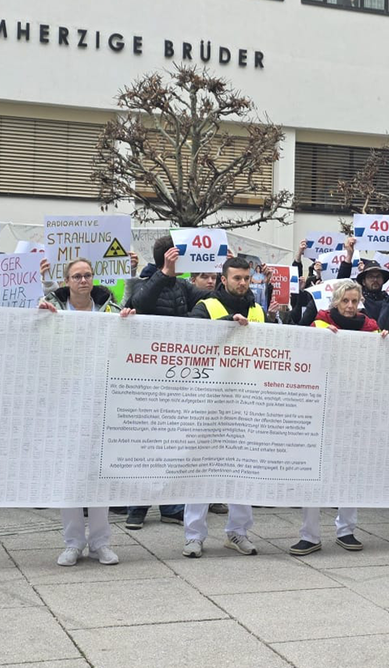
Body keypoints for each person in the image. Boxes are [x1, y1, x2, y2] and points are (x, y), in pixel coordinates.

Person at [290, 280, 386, 555]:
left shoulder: (370, 328)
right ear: (335, 302)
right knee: (314, 470)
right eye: (345, 301)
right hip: (321, 406)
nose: (350, 306)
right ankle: (309, 534)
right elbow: (305, 355)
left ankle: (346, 529)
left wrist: (384, 342)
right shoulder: (320, 324)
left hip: (354, 407)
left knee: (350, 468)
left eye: (355, 301)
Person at [37, 259, 121, 566]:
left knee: (98, 473)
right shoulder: (51, 309)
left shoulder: (111, 309)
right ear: (67, 281)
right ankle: (73, 542)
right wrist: (41, 320)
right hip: (65, 399)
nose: (83, 280)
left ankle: (100, 542)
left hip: (101, 398)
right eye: (76, 276)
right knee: (69, 473)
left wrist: (129, 320)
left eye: (87, 275)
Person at [182, 256, 261, 558]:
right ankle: (193, 534)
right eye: (237, 278)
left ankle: (237, 532)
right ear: (223, 280)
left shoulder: (259, 311)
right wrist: (227, 326)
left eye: (246, 278)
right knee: (201, 467)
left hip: (246, 400)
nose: (242, 283)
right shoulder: (207, 307)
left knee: (242, 467)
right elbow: (192, 339)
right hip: (209, 400)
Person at [117, 235, 195, 530]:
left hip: (175, 373)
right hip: (147, 376)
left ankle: (170, 506)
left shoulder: (182, 287)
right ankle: (136, 508)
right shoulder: (146, 282)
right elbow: (140, 302)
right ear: (170, 256)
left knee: (171, 441)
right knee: (145, 444)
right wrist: (164, 274)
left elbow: (208, 299)